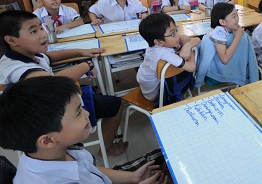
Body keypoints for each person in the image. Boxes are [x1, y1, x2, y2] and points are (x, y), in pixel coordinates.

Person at [0, 10, 127, 157]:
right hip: (50, 118)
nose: (43, 34)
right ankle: (108, 148)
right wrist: (87, 66)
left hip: (50, 106)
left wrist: (80, 52)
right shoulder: (18, 68)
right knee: (116, 104)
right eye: (33, 31)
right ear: (11, 40)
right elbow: (53, 82)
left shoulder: (24, 54)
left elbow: (48, 57)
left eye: (41, 28)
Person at [0, 76, 166, 184]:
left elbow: (89, 169)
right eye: (78, 112)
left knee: (165, 156)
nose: (87, 114)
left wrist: (132, 178)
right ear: (48, 140)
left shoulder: (52, 152)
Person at [137, 13, 199, 104]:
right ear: (158, 41)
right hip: (154, 94)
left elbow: (197, 39)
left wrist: (188, 45)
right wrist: (190, 50)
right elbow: (192, 67)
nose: (177, 35)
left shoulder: (157, 45)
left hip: (148, 81)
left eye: (176, 30)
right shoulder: (162, 53)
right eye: (172, 34)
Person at [195, 2, 258, 87]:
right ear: (222, 22)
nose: (237, 19)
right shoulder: (219, 32)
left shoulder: (229, 31)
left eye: (237, 15)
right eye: (233, 16)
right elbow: (224, 59)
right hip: (215, 78)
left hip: (220, 75)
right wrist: (237, 37)